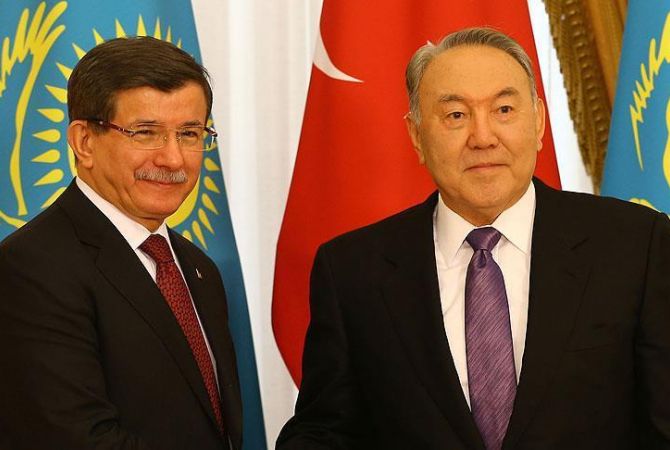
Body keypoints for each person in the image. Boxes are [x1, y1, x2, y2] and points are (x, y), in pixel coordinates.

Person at [276, 27, 670, 449]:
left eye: (504, 109)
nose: (483, 138)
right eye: (456, 116)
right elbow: (324, 431)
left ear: (538, 121)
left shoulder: (635, 246)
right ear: (416, 136)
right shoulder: (352, 271)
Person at [0, 37, 241, 450]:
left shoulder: (199, 268)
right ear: (84, 142)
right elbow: (73, 438)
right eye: (145, 133)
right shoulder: (30, 268)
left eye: (189, 133)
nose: (173, 158)